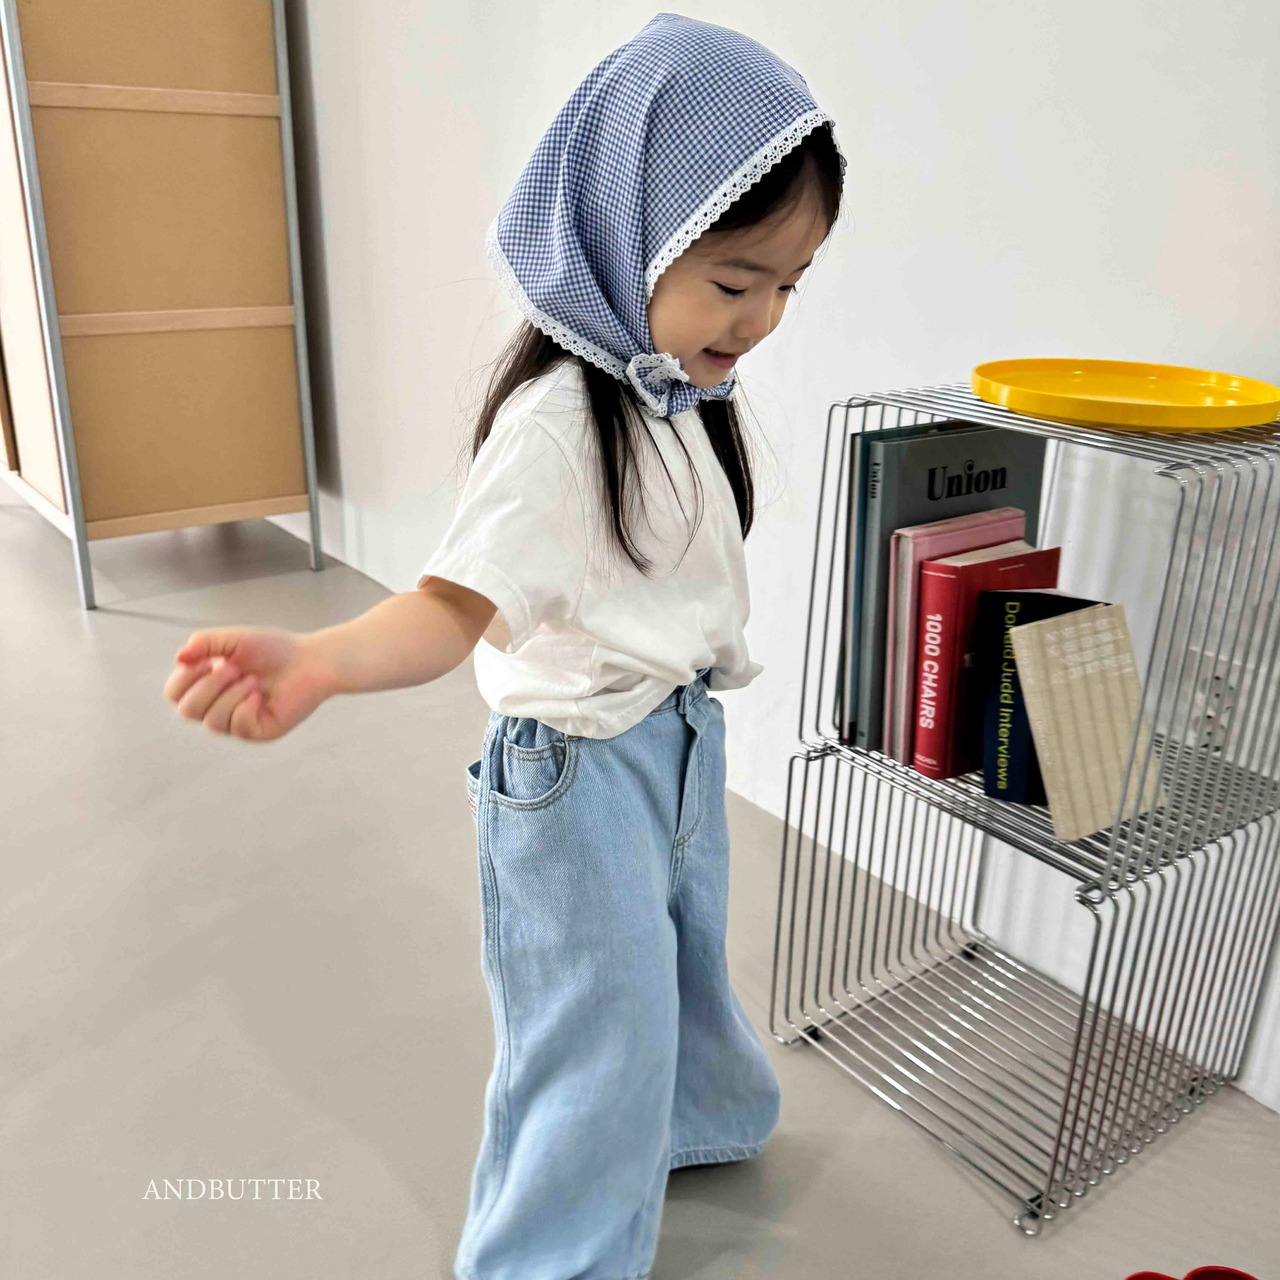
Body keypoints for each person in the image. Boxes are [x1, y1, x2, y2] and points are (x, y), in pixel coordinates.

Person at [162, 12, 846, 1277]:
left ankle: (690, 1118)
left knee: (681, 957)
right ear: (623, 233)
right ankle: (547, 1253)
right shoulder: (556, 426)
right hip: (576, 776)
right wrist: (319, 661)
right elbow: (447, 605)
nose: (759, 320)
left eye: (787, 286)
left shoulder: (675, 391)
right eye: (734, 282)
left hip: (674, 737)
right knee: (590, 1021)